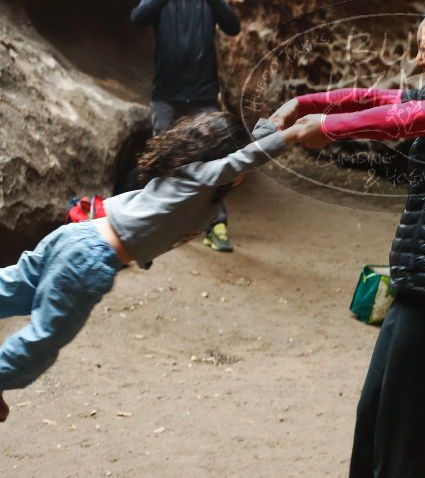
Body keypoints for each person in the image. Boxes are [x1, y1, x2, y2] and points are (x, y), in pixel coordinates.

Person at [269, 0, 425, 477]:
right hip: (418, 280)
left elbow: (402, 121)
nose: (417, 59)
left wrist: (327, 130)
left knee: (404, 430)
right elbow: (379, 100)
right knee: (376, 413)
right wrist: (308, 103)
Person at [0, 113, 293, 422]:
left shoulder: (192, 179)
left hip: (78, 236)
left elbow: (244, 153)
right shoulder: (199, 179)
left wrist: (276, 126)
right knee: (45, 337)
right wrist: (294, 138)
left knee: (13, 286)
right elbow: (243, 159)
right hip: (89, 257)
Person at [131, 0, 241, 252]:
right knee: (162, 159)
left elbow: (233, 27)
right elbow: (137, 19)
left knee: (215, 160)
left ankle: (215, 225)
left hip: (203, 95)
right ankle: (162, 222)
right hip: (167, 95)